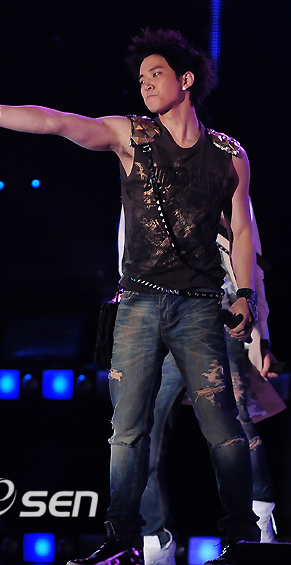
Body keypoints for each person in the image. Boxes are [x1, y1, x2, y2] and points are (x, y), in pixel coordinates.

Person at [0, 28, 261, 565]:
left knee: (221, 424)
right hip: (139, 303)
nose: (145, 84)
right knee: (126, 430)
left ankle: (242, 538)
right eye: (141, 77)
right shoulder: (132, 135)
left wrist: (245, 294)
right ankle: (124, 542)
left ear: (186, 80)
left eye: (156, 74)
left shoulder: (228, 154)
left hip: (200, 304)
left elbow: (241, 230)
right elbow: (57, 122)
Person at [128, 209, 287, 565]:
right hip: (159, 320)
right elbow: (127, 257)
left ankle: (256, 527)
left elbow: (251, 264)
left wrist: (261, 337)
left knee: (233, 426)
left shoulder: (225, 182)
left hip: (219, 317)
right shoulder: (138, 184)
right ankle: (155, 542)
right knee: (142, 431)